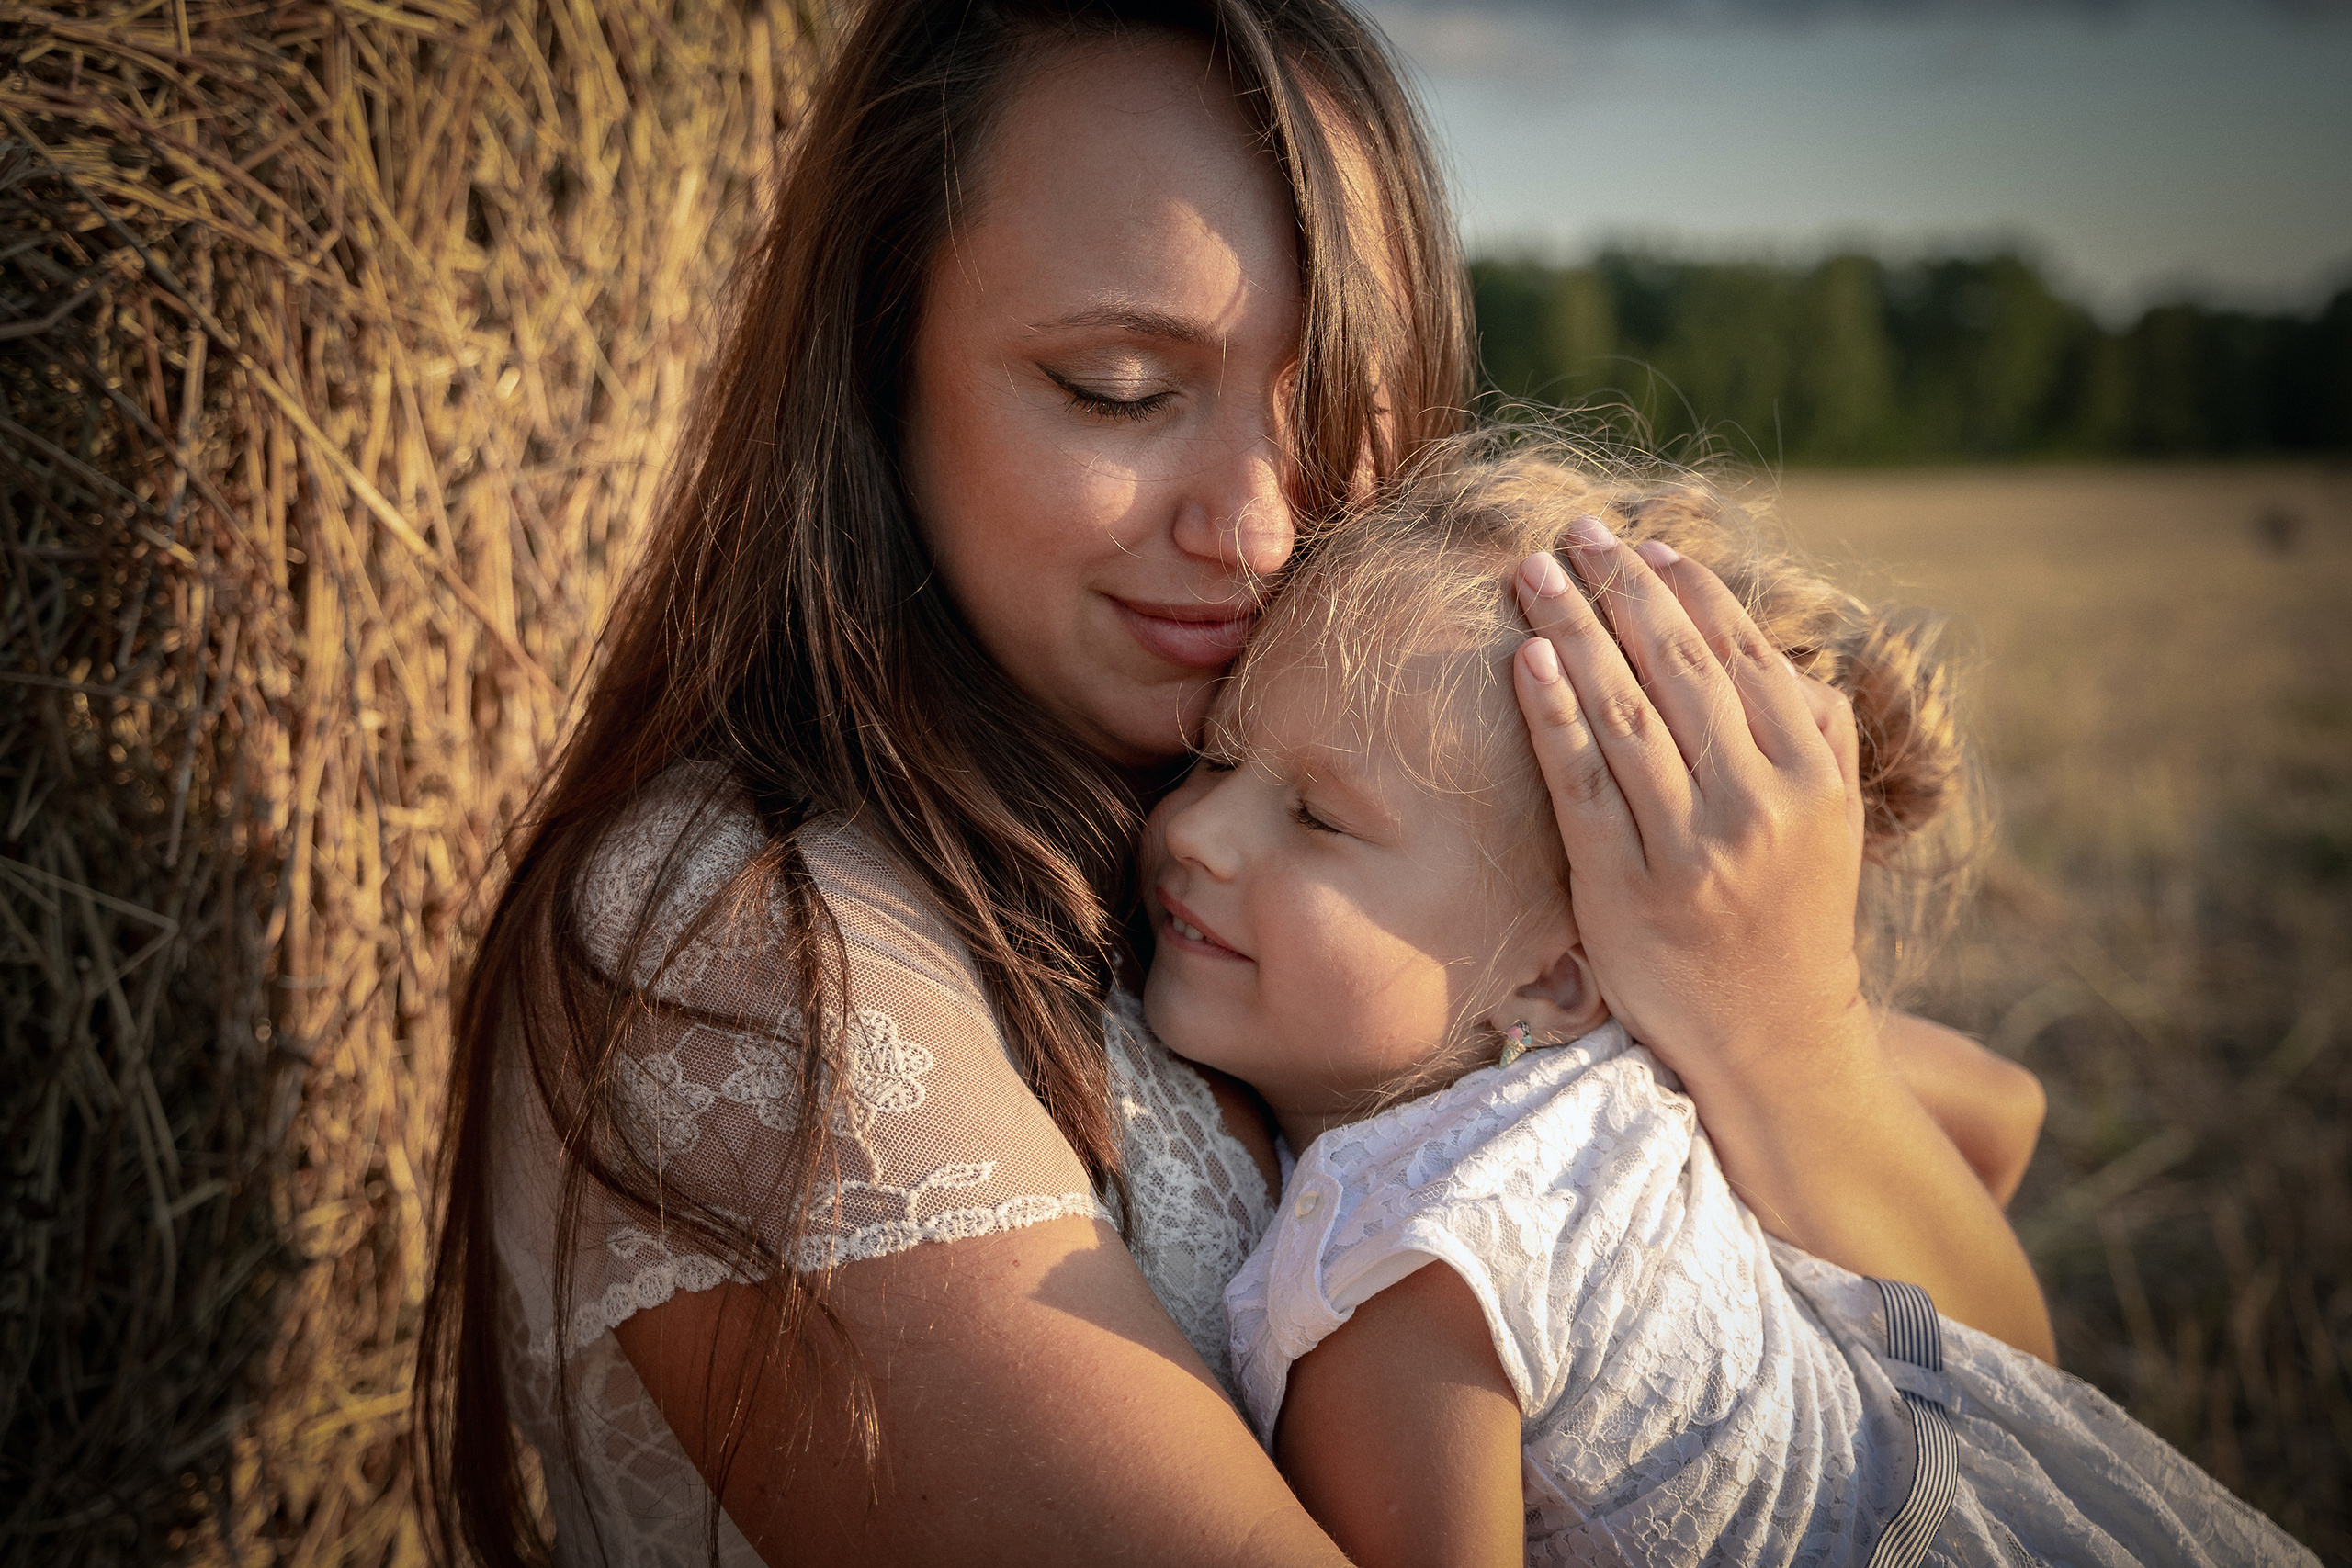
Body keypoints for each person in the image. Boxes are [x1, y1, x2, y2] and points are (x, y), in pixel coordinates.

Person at [415, 0, 2052, 1562]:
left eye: (1335, 399)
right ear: (874, 361)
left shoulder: (1414, 882)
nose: (1262, 531)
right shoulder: (748, 938)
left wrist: (1785, 1033)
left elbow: (2015, 1427)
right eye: (1122, 390)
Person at [1140, 445, 2312, 1568]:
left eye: (1317, 819)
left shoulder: (1398, 1283)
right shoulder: (1637, 1078)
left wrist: (1780, 1018)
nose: (1193, 831)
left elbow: (2003, 1132)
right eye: (1211, 757)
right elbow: (1995, 1110)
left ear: (1558, 973)